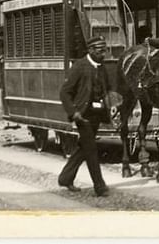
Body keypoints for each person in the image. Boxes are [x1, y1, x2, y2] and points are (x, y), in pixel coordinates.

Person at [58, 35, 111, 197]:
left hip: (96, 115)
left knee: (84, 148)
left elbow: (106, 90)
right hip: (83, 116)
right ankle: (99, 186)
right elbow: (64, 92)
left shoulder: (101, 67)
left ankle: (65, 178)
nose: (103, 54)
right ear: (91, 50)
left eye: (104, 51)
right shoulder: (80, 66)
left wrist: (111, 107)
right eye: (100, 51)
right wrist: (74, 113)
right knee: (91, 150)